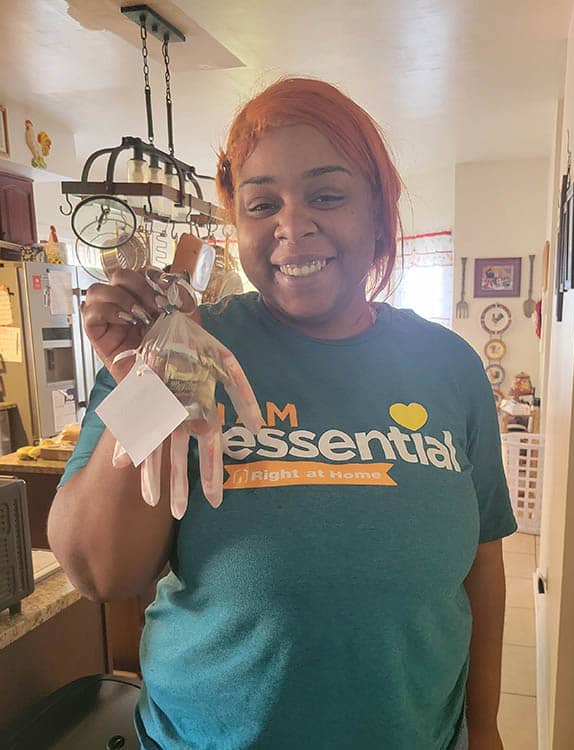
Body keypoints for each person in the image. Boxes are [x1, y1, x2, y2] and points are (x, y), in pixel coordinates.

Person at [48, 77, 517, 750]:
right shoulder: (181, 350)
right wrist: (148, 388)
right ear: (236, 223)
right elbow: (99, 571)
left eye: (328, 195)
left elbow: (482, 565)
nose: (293, 226)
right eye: (262, 203)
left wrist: (488, 728)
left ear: (379, 212)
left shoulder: (450, 367)